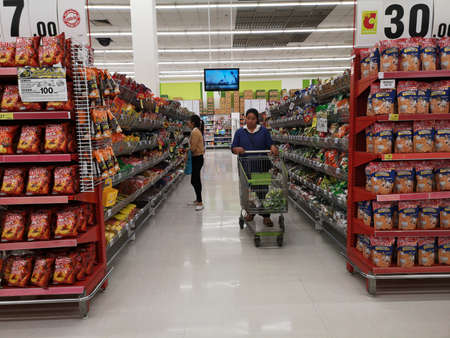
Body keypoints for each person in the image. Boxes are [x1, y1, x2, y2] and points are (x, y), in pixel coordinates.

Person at [231, 108, 278, 226]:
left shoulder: (263, 131)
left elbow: (270, 144)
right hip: (245, 167)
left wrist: (273, 147)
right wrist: (236, 149)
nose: (250, 121)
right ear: (245, 119)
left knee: (263, 191)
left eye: (253, 118)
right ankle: (251, 212)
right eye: (248, 118)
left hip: (261, 166)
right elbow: (233, 147)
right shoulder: (240, 132)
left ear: (257, 119)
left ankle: (266, 216)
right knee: (249, 191)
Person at [188, 115, 205, 211]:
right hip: (198, 158)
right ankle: (197, 199)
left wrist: (186, 149)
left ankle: (200, 202)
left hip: (197, 158)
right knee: (194, 180)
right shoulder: (196, 131)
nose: (188, 123)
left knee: (196, 180)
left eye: (189, 121)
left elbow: (193, 148)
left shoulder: (194, 132)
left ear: (193, 123)